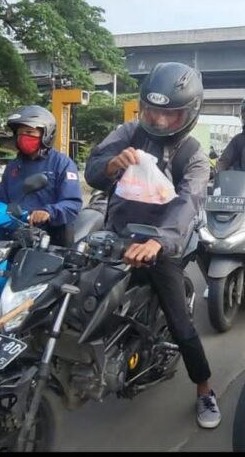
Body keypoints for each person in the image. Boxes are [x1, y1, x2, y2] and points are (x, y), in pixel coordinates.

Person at [84, 62, 221, 429]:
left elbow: (187, 202)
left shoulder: (192, 154)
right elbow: (93, 170)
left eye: (169, 113)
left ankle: (204, 390)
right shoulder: (129, 132)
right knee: (74, 291)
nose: (158, 121)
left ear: (189, 113)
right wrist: (112, 164)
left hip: (162, 244)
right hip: (116, 234)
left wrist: (157, 241)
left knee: (180, 323)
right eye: (152, 111)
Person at [0, 105, 83, 247]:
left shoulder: (62, 163)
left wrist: (48, 212)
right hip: (15, 232)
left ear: (46, 134)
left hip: (50, 237)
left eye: (29, 132)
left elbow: (72, 203)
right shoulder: (14, 166)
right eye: (20, 133)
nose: (23, 137)